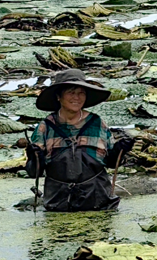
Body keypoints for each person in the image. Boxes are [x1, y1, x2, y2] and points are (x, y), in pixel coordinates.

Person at [25, 68, 133, 212]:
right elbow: (34, 173)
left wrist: (120, 149)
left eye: (81, 93)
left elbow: (111, 163)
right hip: (58, 204)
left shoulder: (97, 123)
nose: (77, 97)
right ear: (58, 96)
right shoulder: (45, 127)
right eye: (71, 92)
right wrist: (34, 156)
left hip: (98, 201)